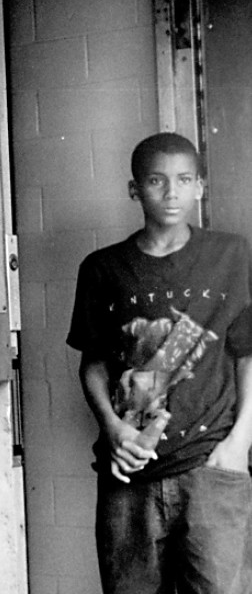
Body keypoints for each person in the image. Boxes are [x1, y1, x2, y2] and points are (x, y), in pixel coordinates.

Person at [67, 132, 252, 594]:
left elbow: (248, 353)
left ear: (199, 187)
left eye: (184, 180)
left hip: (211, 466)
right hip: (129, 471)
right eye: (156, 181)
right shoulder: (103, 268)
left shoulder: (231, 255)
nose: (172, 193)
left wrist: (237, 445)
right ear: (135, 189)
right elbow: (94, 364)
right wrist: (112, 428)